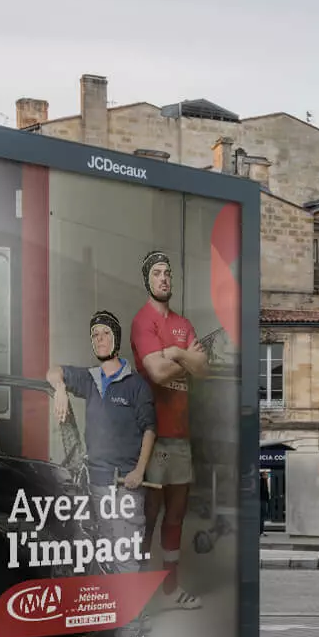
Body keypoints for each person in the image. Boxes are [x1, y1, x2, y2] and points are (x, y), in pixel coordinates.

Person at [47, 311, 156, 558]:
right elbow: (52, 372)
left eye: (106, 333)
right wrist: (61, 388)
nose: (100, 339)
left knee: (126, 556)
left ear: (116, 338)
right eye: (95, 335)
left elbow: (150, 429)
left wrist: (139, 471)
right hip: (96, 484)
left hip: (125, 487)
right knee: (104, 554)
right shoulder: (90, 379)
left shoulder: (136, 385)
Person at [133, 251, 207, 607]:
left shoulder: (182, 323)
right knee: (147, 517)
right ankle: (139, 594)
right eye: (158, 273)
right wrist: (183, 357)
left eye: (168, 273)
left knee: (175, 516)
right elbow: (157, 373)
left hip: (181, 436)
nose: (164, 279)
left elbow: (203, 367)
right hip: (153, 435)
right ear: (147, 279)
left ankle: (170, 588)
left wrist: (173, 352)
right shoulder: (142, 321)